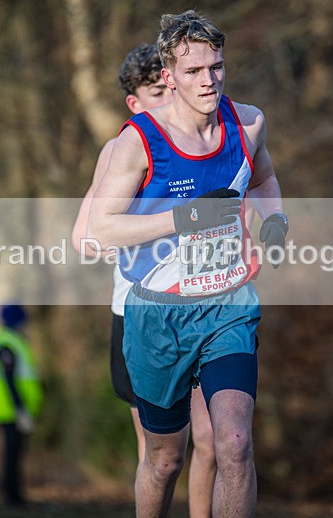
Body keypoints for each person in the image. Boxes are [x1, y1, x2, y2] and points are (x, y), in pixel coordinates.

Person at [87, 11, 288, 517]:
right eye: (194, 71)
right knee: (163, 460)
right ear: (169, 76)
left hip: (228, 306)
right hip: (157, 314)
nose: (209, 80)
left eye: (216, 67)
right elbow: (101, 228)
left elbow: (263, 181)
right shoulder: (138, 141)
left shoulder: (249, 123)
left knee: (234, 445)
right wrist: (185, 219)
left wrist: (275, 222)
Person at [71, 43, 218, 517]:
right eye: (158, 91)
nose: (170, 96)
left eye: (170, 86)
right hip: (139, 316)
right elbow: (85, 237)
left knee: (213, 442)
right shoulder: (121, 148)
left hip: (204, 308)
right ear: (134, 102)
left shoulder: (203, 138)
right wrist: (140, 236)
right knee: (159, 454)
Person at [0, 304, 43, 507]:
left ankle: (15, 495)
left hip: (13, 408)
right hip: (10, 409)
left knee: (15, 455)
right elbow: (9, 380)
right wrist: (20, 409)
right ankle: (12, 497)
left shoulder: (11, 341)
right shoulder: (6, 343)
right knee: (11, 455)